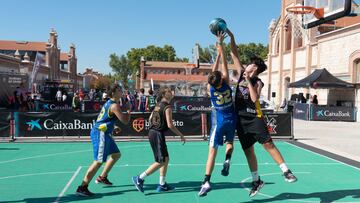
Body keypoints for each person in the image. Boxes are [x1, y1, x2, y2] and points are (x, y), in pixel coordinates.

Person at [227, 28, 297, 197]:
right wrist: (231, 36)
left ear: (257, 71)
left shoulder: (258, 82)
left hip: (254, 117)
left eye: (253, 68)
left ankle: (286, 170)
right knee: (248, 151)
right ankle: (256, 180)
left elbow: (254, 99)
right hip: (240, 120)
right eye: (249, 66)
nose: (249, 69)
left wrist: (248, 80)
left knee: (267, 144)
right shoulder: (242, 72)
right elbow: (234, 54)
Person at [198, 32, 237, 197]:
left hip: (218, 121)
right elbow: (224, 67)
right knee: (229, 142)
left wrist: (218, 51)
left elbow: (212, 75)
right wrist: (221, 50)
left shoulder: (211, 89)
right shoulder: (226, 83)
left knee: (212, 152)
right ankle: (228, 158)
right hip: (232, 119)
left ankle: (206, 181)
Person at [76, 84, 131, 197]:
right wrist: (129, 110)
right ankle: (82, 187)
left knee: (116, 154)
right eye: (119, 90)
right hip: (100, 133)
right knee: (98, 161)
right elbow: (125, 121)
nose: (122, 91)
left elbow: (103, 118)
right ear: (113, 93)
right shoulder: (114, 106)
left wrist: (113, 127)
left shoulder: (110, 103)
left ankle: (103, 177)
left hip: (105, 132)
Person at [132, 87, 186, 193]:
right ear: (164, 95)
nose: (171, 93)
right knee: (160, 161)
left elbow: (150, 118)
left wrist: (155, 126)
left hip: (154, 132)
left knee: (165, 159)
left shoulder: (157, 105)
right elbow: (170, 125)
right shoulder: (167, 107)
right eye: (169, 92)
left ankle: (162, 184)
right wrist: (181, 135)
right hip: (157, 133)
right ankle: (139, 178)